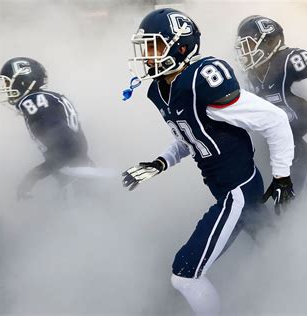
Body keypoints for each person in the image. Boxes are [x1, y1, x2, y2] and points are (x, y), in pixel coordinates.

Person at [121, 8, 295, 315]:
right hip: (229, 188)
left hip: (237, 192)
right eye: (145, 48)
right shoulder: (161, 88)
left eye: (155, 46)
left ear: (181, 46)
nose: (148, 56)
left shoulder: (203, 79)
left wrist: (282, 176)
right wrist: (161, 162)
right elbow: (191, 133)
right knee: (277, 250)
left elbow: (275, 119)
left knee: (184, 275)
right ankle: (297, 293)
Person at [235, 15, 307, 193]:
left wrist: (305, 143)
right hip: (289, 151)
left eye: (249, 45)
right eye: (243, 47)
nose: (245, 52)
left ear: (270, 42)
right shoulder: (255, 75)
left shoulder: (287, 66)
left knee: (306, 203)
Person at [0, 57, 93, 200]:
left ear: (23, 81)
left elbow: (66, 150)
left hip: (76, 176)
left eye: (7, 82)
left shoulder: (34, 100)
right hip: (81, 172)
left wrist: (32, 177)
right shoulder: (44, 98)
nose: (6, 87)